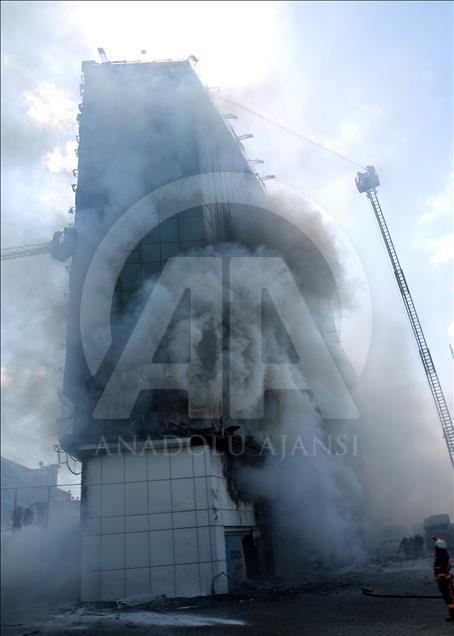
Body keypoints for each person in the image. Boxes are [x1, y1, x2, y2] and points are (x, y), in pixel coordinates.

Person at [433, 537, 454, 622]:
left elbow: (439, 571)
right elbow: (449, 567)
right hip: (446, 579)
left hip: (444, 580)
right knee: (450, 597)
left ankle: (453, 615)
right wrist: (436, 539)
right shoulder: (445, 555)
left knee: (449, 598)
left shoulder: (439, 558)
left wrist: (439, 577)